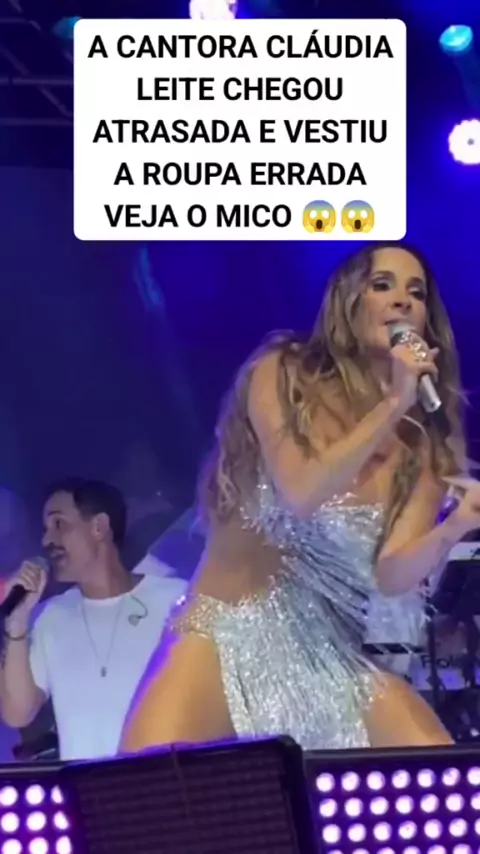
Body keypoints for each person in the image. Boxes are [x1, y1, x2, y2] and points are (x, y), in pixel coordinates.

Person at [121, 244, 480, 753]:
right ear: (348, 301)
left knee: (439, 779)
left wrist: (452, 528)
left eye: (416, 293)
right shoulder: (283, 372)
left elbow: (392, 574)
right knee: (142, 788)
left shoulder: (424, 446)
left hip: (331, 656)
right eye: (382, 285)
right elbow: (302, 492)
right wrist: (394, 403)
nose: (402, 300)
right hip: (221, 634)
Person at [0, 478, 186, 761]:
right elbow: (17, 714)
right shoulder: (49, 617)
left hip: (163, 782)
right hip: (86, 787)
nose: (47, 541)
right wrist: (16, 624)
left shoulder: (175, 599)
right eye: (45, 529)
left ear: (99, 526)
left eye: (59, 524)